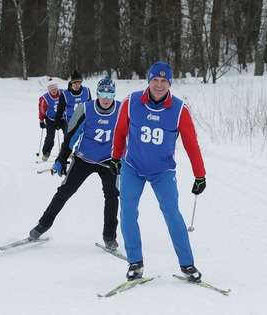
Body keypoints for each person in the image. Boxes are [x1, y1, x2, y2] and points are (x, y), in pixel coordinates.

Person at [110, 61, 207, 282]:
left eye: (164, 81)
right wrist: (116, 158)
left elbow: (192, 144)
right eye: (155, 79)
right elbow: (120, 132)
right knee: (127, 210)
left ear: (170, 83)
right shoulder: (132, 101)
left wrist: (200, 174)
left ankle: (187, 265)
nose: (159, 85)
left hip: (162, 170)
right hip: (133, 167)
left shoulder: (179, 109)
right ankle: (135, 263)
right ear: (149, 80)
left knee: (172, 213)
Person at [29, 76, 121, 250]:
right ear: (97, 93)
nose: (106, 98)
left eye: (110, 94)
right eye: (102, 93)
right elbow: (71, 136)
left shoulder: (122, 110)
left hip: (109, 161)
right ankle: (43, 225)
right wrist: (61, 159)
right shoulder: (85, 109)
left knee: (112, 196)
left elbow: (129, 136)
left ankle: (109, 236)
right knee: (64, 191)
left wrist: (124, 159)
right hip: (84, 158)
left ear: (114, 94)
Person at [38, 77, 61, 161]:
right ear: (49, 90)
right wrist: (41, 120)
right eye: (52, 89)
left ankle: (66, 150)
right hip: (51, 119)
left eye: (55, 88)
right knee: (50, 136)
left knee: (68, 132)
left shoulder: (62, 93)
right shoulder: (45, 98)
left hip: (62, 118)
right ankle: (46, 153)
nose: (54, 91)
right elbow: (42, 110)